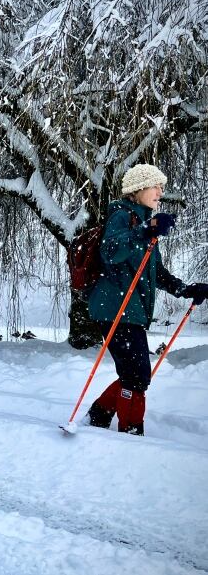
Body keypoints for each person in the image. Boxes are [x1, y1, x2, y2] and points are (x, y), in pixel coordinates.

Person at [85, 164, 208, 435]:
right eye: (156, 186)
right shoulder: (122, 216)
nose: (160, 192)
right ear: (138, 189)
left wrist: (186, 289)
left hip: (132, 309)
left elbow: (157, 273)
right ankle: (130, 430)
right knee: (137, 375)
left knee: (136, 373)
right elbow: (111, 251)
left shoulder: (143, 224)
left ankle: (99, 415)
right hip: (114, 307)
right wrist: (146, 228)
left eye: (162, 187)